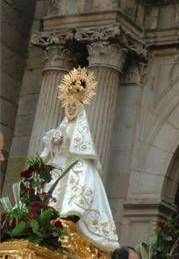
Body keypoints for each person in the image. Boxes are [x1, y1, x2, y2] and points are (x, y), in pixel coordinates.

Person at [40, 67, 119, 252]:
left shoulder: (80, 129)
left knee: (84, 178)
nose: (70, 108)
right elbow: (52, 151)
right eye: (68, 105)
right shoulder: (62, 127)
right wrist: (55, 143)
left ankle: (72, 214)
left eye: (74, 106)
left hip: (76, 163)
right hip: (60, 165)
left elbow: (80, 143)